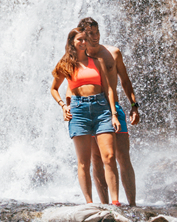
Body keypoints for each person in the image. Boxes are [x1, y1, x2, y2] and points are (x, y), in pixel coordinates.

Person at [49, 27, 122, 205]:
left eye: (85, 39)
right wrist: (63, 106)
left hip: (101, 109)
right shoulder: (65, 64)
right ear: (72, 42)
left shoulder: (97, 62)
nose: (83, 42)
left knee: (109, 157)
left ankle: (115, 202)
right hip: (78, 110)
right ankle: (89, 203)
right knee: (83, 162)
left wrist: (114, 114)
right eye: (79, 40)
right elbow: (54, 88)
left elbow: (108, 89)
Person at [77, 16, 139, 206]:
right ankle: (105, 206)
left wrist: (134, 105)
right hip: (91, 110)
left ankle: (133, 206)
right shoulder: (79, 59)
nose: (95, 37)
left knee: (121, 156)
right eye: (90, 34)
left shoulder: (113, 53)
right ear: (82, 35)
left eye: (97, 33)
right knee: (97, 158)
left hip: (115, 109)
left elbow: (125, 81)